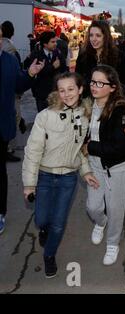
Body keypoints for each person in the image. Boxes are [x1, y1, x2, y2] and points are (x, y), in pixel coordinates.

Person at [22, 72, 99, 278]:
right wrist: (29, 184)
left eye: (71, 89)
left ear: (80, 90)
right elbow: (33, 151)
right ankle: (44, 230)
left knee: (58, 223)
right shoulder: (45, 116)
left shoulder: (85, 116)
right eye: (62, 90)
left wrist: (86, 171)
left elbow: (79, 151)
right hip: (45, 176)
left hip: (68, 178)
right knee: (41, 219)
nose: (66, 94)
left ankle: (49, 255)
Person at [82, 65, 125, 266]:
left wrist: (91, 147)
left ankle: (113, 243)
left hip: (115, 169)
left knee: (116, 209)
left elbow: (121, 147)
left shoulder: (119, 111)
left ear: (112, 87)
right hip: (94, 167)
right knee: (93, 207)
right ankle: (100, 222)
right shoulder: (87, 106)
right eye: (92, 81)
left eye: (100, 83)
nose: (94, 86)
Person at [0, 26, 45, 235]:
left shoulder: (9, 61)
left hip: (1, 125)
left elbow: (18, 85)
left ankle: (0, 213)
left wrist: (30, 73)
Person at [76, 20, 122, 95]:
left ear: (106, 37)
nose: (93, 39)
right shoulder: (83, 55)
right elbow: (78, 79)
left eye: (98, 35)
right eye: (91, 35)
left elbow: (123, 82)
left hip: (110, 101)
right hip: (87, 100)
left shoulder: (118, 56)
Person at [26, 31, 68, 112]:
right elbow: (38, 72)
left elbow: (64, 70)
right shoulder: (36, 55)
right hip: (41, 94)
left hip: (56, 93)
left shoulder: (58, 53)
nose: (55, 44)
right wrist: (52, 67)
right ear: (45, 44)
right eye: (52, 42)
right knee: (43, 118)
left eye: (56, 41)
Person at [1, 21, 25, 162]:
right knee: (12, 117)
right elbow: (17, 75)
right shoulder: (10, 48)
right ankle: (7, 149)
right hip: (10, 92)